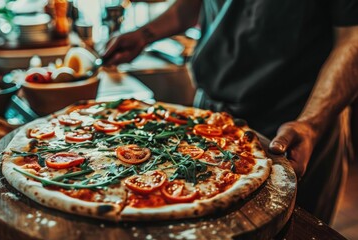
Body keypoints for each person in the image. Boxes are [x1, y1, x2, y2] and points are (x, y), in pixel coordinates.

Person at [102, 0, 358, 224]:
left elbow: (352, 38)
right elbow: (192, 5)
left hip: (296, 121)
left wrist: (311, 123)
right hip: (211, 116)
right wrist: (145, 34)